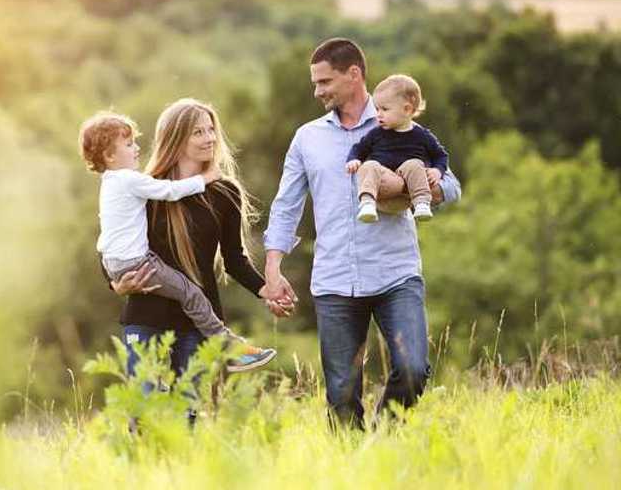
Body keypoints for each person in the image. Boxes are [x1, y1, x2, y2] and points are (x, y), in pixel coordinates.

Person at [262, 38, 461, 428]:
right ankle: (352, 469)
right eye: (315, 83)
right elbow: (286, 204)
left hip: (395, 273)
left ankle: (383, 441)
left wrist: (429, 188)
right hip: (335, 279)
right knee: (341, 394)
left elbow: (451, 185)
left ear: (354, 75)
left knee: (413, 368)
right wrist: (273, 267)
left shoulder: (404, 124)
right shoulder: (308, 138)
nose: (317, 91)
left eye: (325, 81)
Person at [103, 99, 290, 378]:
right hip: (147, 316)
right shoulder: (148, 188)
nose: (210, 138)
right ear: (176, 138)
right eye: (198, 132)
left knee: (190, 413)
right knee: (144, 412)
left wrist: (267, 290)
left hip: (198, 323)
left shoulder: (225, 193)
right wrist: (116, 284)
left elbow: (234, 260)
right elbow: (112, 239)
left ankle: (230, 348)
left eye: (211, 130)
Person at [345, 74, 449, 223]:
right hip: (383, 188)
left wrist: (438, 170)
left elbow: (441, 155)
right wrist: (353, 159)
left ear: (407, 110)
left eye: (385, 109)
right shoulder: (376, 134)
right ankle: (367, 202)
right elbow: (359, 148)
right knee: (370, 165)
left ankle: (421, 203)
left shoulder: (422, 135)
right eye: (377, 109)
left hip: (406, 196)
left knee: (414, 164)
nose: (378, 114)